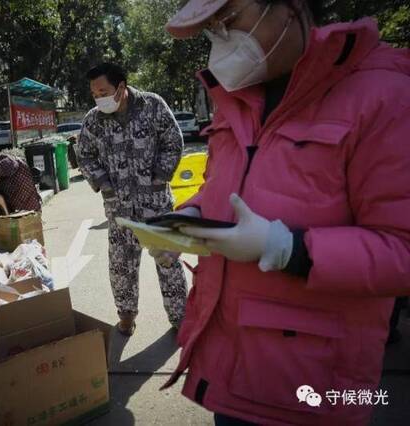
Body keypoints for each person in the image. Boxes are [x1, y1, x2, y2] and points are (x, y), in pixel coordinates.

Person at [155, 0, 410, 425]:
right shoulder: (235, 100)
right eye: (212, 29)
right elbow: (224, 186)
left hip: (314, 389)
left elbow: (402, 248)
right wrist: (194, 214)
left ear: (290, 7)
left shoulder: (383, 97)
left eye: (230, 20)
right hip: (230, 373)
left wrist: (286, 248)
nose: (221, 38)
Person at [76, 62, 188, 335]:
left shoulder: (153, 106)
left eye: (103, 91)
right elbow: (84, 154)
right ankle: (126, 315)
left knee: (169, 265)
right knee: (121, 268)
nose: (99, 98)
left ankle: (181, 318)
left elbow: (173, 141)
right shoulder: (94, 120)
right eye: (94, 94)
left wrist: (161, 176)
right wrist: (105, 186)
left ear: (121, 87)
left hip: (157, 205)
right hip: (119, 210)